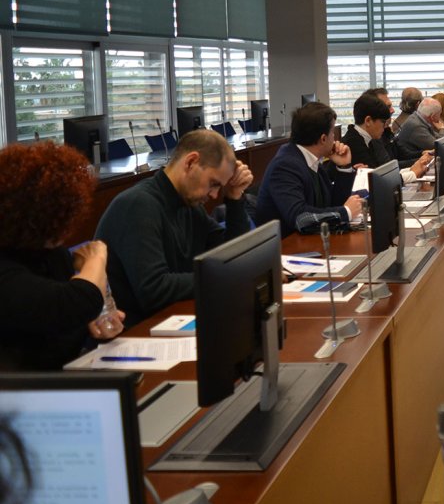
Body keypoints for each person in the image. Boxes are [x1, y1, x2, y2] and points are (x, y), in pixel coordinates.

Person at [98, 129, 254, 326]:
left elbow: (232, 254)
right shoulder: (137, 205)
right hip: (135, 330)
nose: (214, 195)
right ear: (190, 162)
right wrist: (226, 276)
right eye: (213, 183)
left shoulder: (188, 205)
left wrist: (234, 197)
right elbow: (154, 289)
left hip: (169, 320)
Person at [0, 143, 126, 370]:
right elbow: (76, 302)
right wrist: (96, 257)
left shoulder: (50, 254)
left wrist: (95, 321)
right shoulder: (6, 270)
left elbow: (69, 314)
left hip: (61, 376)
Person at [255, 102, 363, 237]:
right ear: (323, 139)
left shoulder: (311, 159)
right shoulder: (285, 166)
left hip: (309, 239)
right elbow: (301, 218)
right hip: (286, 245)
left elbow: (332, 204)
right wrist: (346, 212)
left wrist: (344, 167)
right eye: (332, 133)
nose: (334, 138)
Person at [344, 91, 394, 168]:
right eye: (383, 122)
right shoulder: (353, 143)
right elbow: (374, 172)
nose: (385, 126)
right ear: (368, 121)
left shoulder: (366, 139)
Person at [394, 97, 444, 167]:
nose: (440, 118)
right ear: (432, 116)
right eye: (439, 114)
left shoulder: (418, 119)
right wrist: (442, 129)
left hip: (413, 161)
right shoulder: (416, 125)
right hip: (408, 165)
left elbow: (437, 138)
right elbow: (440, 146)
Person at [366, 87, 398, 159]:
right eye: (388, 107)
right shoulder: (374, 136)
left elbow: (401, 154)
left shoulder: (386, 131)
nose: (393, 110)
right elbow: (388, 164)